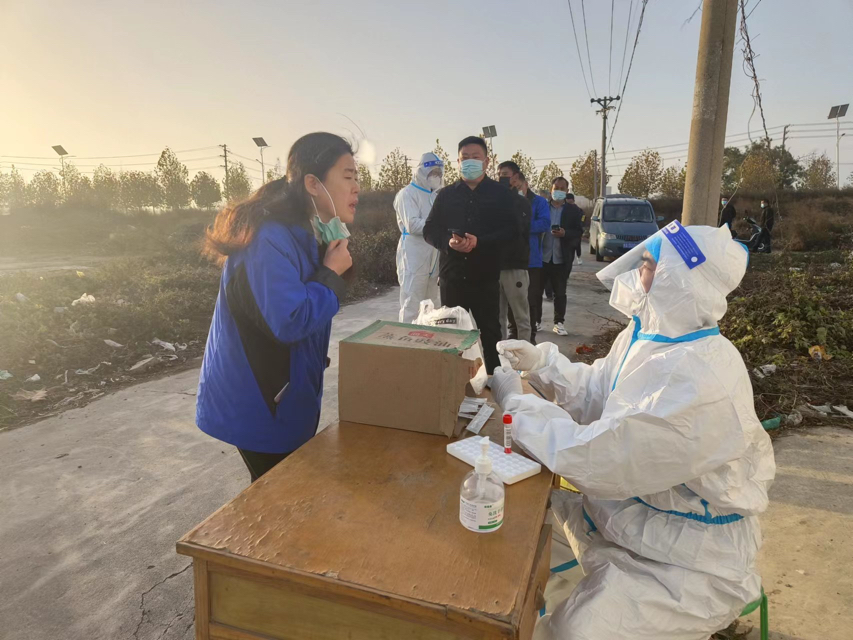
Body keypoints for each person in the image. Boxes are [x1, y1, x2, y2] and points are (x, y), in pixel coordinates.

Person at [491, 223, 775, 640]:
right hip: (630, 518)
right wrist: (542, 366)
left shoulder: (703, 379)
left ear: (679, 279)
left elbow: (601, 458)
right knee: (512, 528)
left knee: (573, 634)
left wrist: (518, 405)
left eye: (649, 263)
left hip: (690, 563)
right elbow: (598, 391)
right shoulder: (650, 337)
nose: (639, 271)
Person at [197, 132, 357, 482]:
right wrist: (330, 273)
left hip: (284, 397)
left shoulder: (308, 230)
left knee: (286, 499)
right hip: (258, 401)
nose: (357, 187)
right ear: (313, 183)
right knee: (280, 500)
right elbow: (290, 320)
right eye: (348, 177)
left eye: (357, 177)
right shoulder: (268, 239)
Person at [423, 136, 517, 373]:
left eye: (476, 157)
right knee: (452, 335)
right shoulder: (446, 195)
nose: (470, 162)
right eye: (465, 158)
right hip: (452, 277)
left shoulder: (500, 195)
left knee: (491, 334)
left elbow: (514, 231)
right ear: (457, 162)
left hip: (485, 277)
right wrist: (448, 243)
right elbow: (429, 230)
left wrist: (481, 242)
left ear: (486, 162)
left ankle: (496, 381)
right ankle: (455, 384)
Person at [395, 152, 444, 322]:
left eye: (439, 173)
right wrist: (439, 224)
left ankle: (428, 341)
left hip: (433, 254)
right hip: (414, 254)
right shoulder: (407, 194)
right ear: (422, 172)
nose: (435, 176)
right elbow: (413, 224)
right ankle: (407, 343)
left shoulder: (436, 196)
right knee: (412, 300)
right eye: (432, 173)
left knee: (432, 302)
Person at [497, 160, 532, 342]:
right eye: (499, 175)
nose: (501, 179)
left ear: (516, 178)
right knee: (497, 318)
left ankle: (526, 359)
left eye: (505, 175)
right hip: (494, 266)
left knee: (521, 317)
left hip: (515, 267)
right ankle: (498, 358)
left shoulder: (521, 203)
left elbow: (518, 229)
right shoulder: (493, 201)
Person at [541, 177, 581, 336]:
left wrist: (565, 233)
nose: (558, 190)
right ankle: (536, 321)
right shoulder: (542, 207)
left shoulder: (573, 210)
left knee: (560, 292)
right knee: (536, 292)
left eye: (562, 188)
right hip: (542, 257)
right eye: (556, 187)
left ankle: (559, 322)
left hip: (561, 257)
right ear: (551, 189)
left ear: (567, 190)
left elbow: (579, 232)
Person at [515, 172, 550, 343]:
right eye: (513, 187)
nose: (516, 190)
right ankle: (513, 334)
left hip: (532, 259)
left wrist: (521, 226)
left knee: (531, 299)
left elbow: (544, 223)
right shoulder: (506, 201)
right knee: (510, 301)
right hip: (510, 260)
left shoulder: (539, 202)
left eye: (518, 186)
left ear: (525, 184)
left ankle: (531, 338)